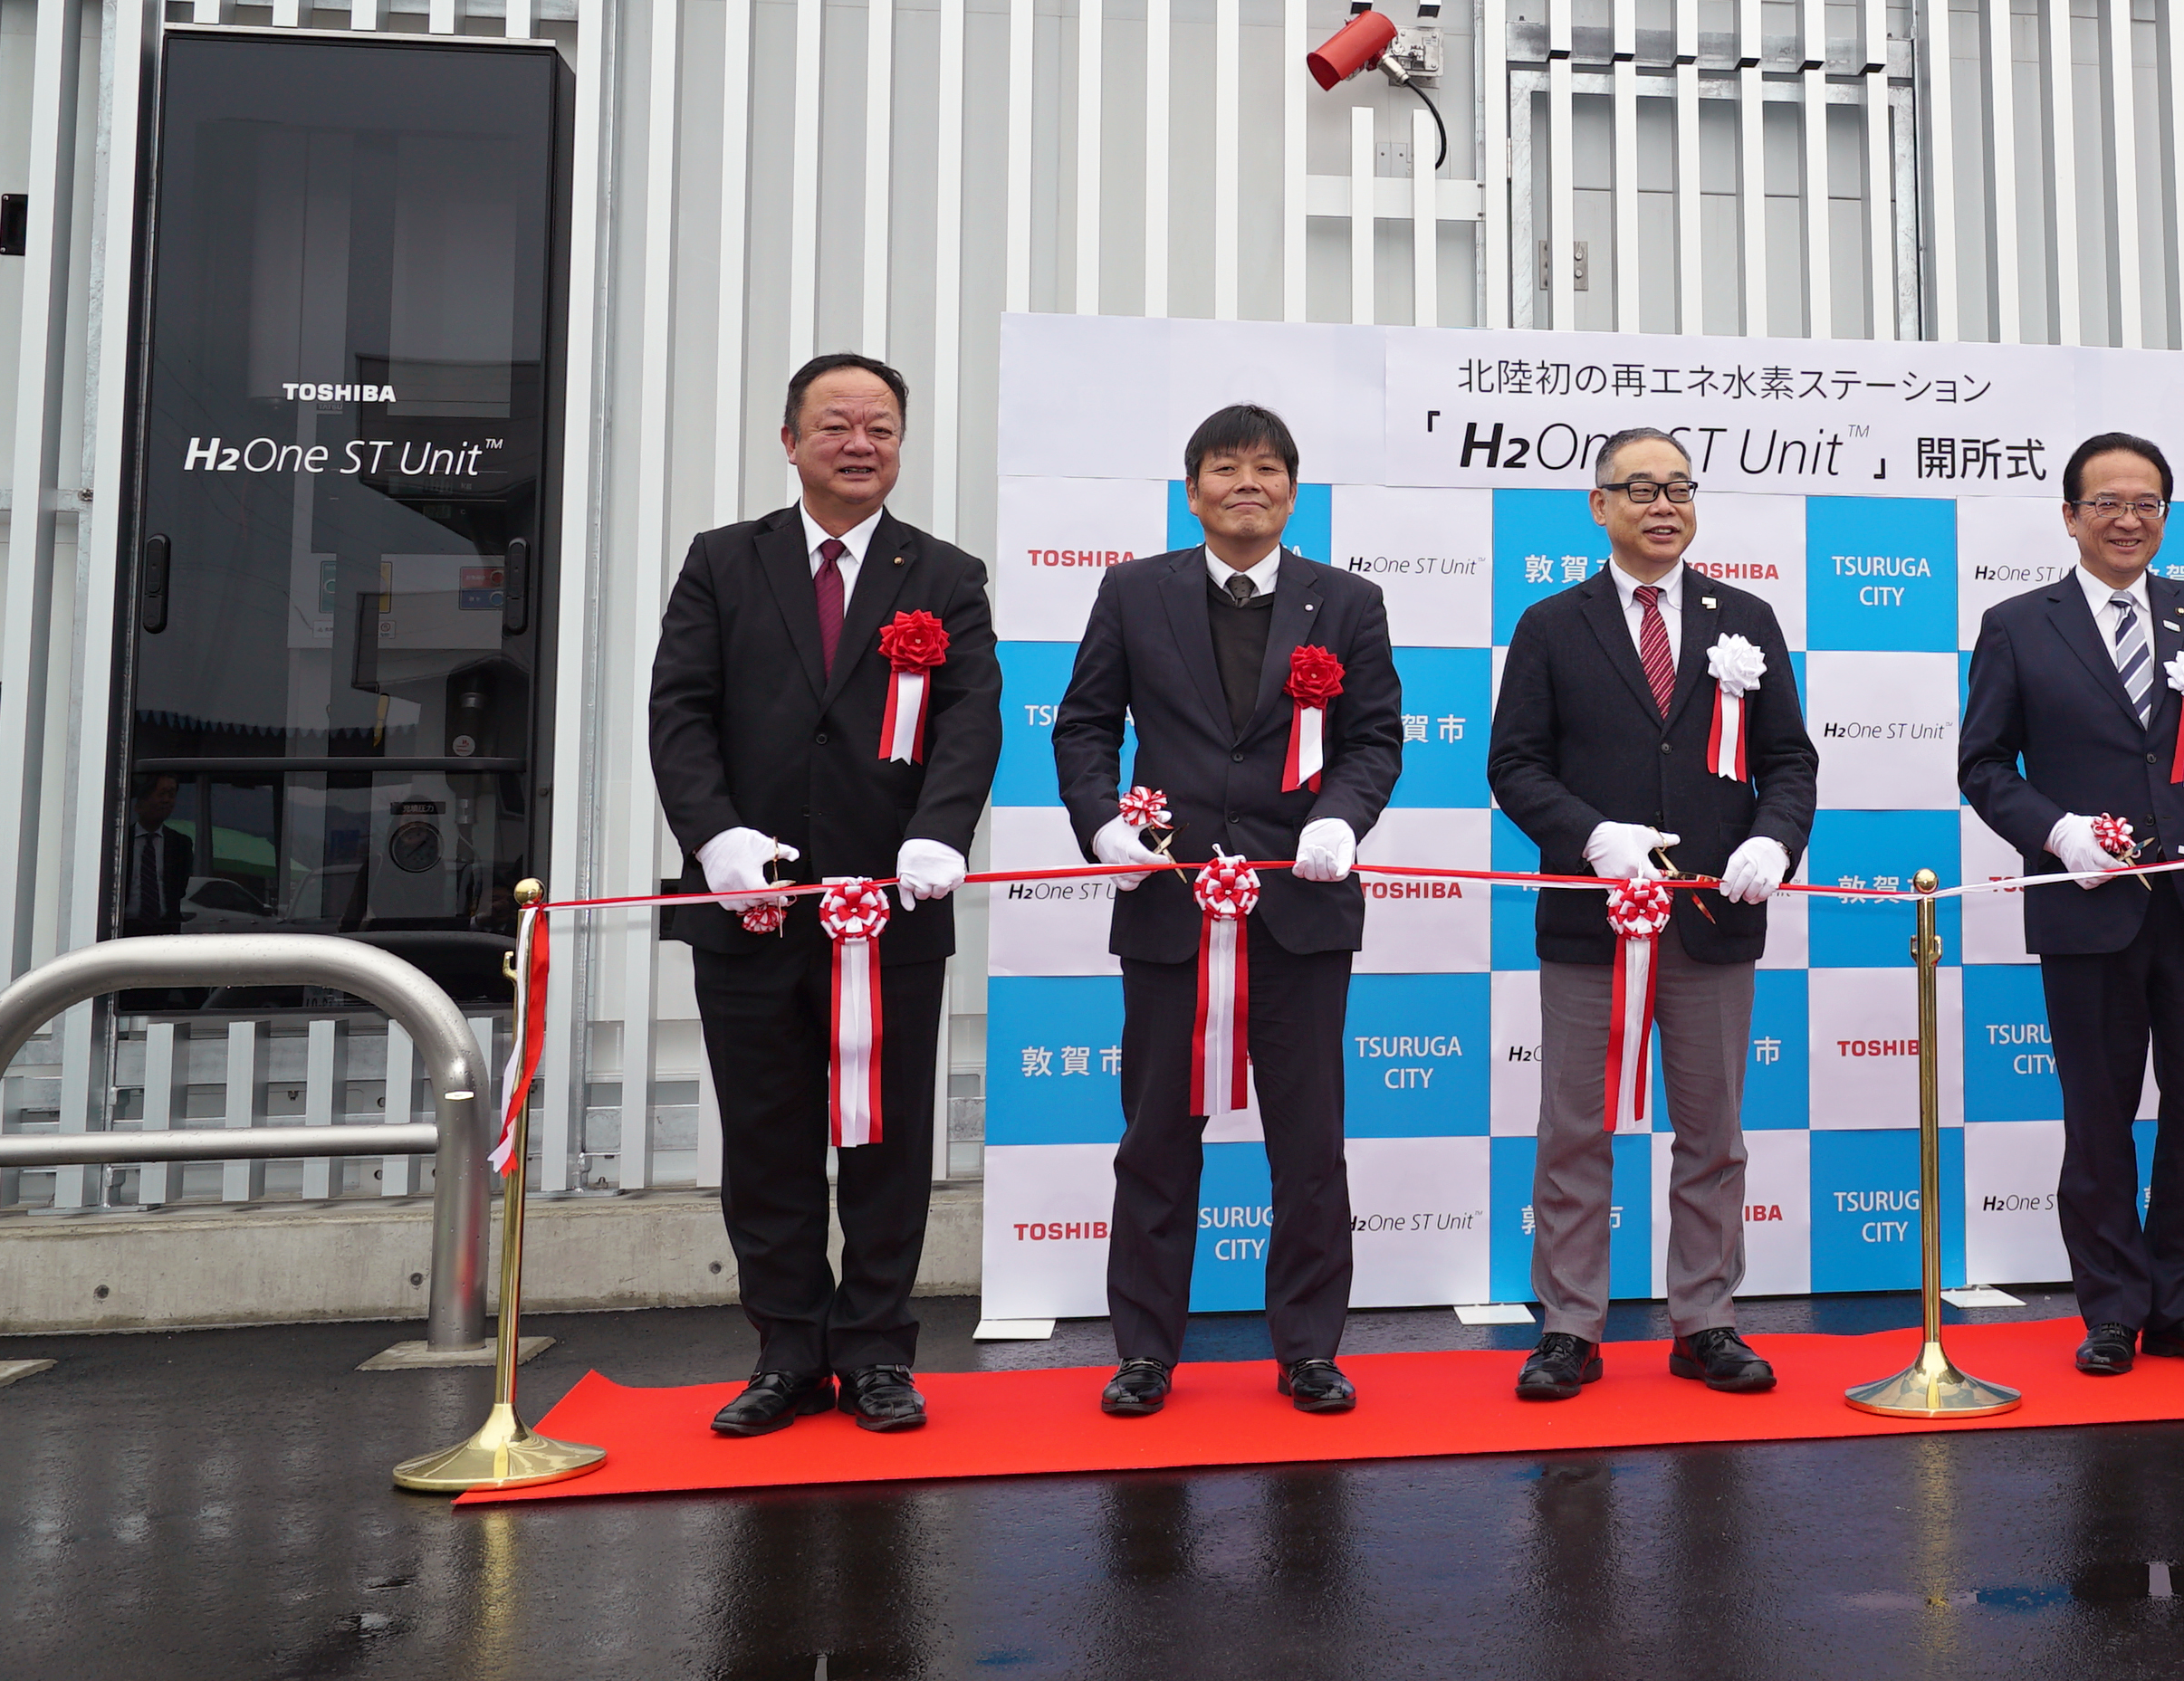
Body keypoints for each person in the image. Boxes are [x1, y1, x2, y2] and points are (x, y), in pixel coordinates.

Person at [649, 353, 1002, 1437]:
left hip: (889, 914)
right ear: (791, 440)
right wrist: (711, 839)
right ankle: (787, 1351)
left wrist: (938, 835)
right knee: (767, 1139)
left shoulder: (943, 573)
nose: (862, 443)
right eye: (839, 423)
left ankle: (880, 1353)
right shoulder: (724, 562)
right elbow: (681, 713)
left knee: (889, 1142)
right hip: (750, 912)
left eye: (882, 427)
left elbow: (968, 723)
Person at [1054, 405, 1403, 1418]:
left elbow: (1374, 738)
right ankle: (1145, 1352)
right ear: (1192, 487)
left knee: (1308, 1139)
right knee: (1157, 1134)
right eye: (1223, 467)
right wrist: (1101, 827)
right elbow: (1083, 723)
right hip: (1171, 909)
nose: (1244, 482)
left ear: (1293, 490)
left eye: (1265, 468)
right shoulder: (1133, 590)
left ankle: (1306, 1348)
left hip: (1302, 906)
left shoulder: (1346, 601)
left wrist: (1340, 817)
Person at [1485, 426, 1815, 1401]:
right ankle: (1571, 1326)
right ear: (1600, 505)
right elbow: (1513, 764)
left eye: (1678, 486)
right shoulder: (1553, 623)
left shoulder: (1744, 617)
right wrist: (1593, 837)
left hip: (1714, 919)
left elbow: (1788, 760)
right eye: (1639, 487)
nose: (1662, 503)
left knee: (1713, 1132)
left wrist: (1771, 841)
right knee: (1575, 1129)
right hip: (1594, 922)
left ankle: (1704, 1319)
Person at [1958, 431, 2184, 1378]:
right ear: (2069, 516)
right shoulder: (2020, 621)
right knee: (2094, 1116)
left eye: (2145, 502)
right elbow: (1982, 765)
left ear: (2165, 516)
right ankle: (2109, 1309)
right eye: (2105, 502)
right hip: (2084, 909)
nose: (2127, 518)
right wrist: (2058, 834)